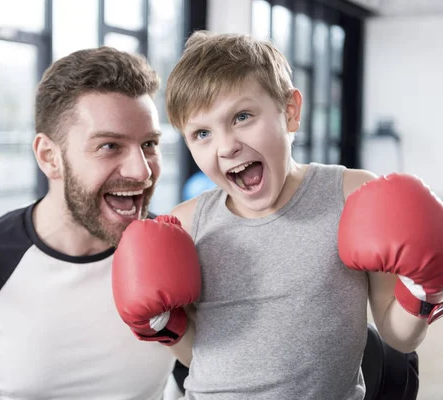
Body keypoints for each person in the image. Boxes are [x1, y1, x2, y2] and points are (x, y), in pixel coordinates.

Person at [111, 31, 443, 399]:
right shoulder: (186, 225)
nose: (226, 146)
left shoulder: (352, 196)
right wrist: (163, 324)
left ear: (289, 112)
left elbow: (398, 334)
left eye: (242, 116)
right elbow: (196, 355)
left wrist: (422, 287)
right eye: (202, 133)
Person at [0, 46, 181, 400]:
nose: (141, 170)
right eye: (110, 146)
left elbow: (216, 383)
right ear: (50, 157)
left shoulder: (175, 252)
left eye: (149, 144)